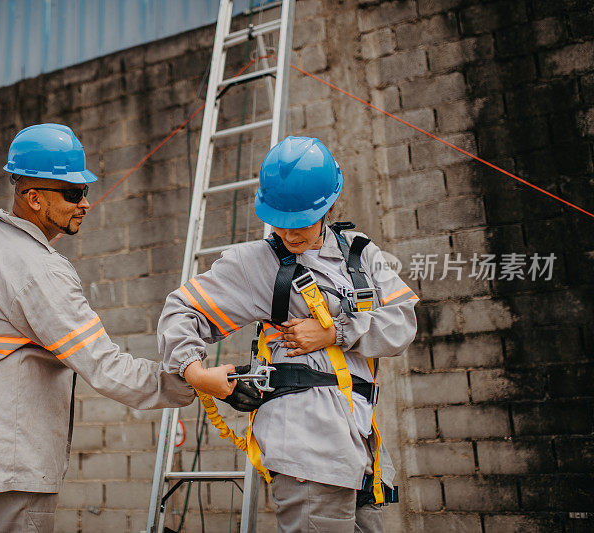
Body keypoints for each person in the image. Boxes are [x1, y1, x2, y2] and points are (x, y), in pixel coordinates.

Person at [0, 123, 213, 533]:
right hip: (11, 457)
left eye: (86, 191)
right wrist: (194, 381)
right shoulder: (38, 269)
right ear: (34, 198)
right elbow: (103, 365)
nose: (86, 204)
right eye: (73, 194)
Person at [158, 136, 419, 532]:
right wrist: (195, 372)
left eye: (300, 223)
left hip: (362, 451)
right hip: (306, 451)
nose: (289, 234)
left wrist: (334, 332)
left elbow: (403, 323)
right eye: (280, 222)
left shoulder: (362, 255)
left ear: (329, 207)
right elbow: (181, 310)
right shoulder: (257, 264)